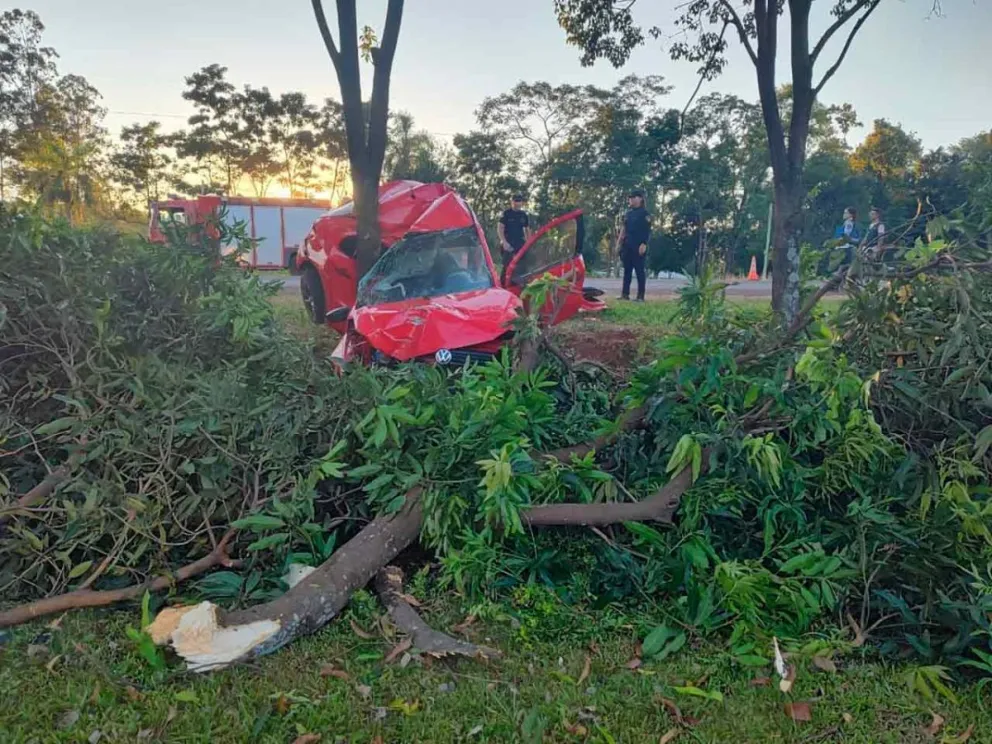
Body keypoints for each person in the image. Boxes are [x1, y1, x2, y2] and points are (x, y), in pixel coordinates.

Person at [616, 189, 651, 301]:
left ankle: (640, 296)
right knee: (627, 271)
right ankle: (625, 294)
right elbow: (624, 229)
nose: (630, 199)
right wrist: (618, 243)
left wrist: (644, 244)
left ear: (640, 199)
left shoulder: (644, 214)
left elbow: (647, 230)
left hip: (638, 245)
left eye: (633, 197)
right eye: (630, 198)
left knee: (639, 271)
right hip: (627, 245)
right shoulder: (628, 214)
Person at [498, 194, 532, 283]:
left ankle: (520, 284)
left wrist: (529, 242)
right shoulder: (506, 213)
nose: (517, 203)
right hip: (508, 242)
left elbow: (527, 229)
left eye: (519, 201)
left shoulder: (523, 215)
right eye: (515, 201)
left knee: (522, 265)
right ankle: (503, 284)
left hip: (520, 243)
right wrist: (504, 242)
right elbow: (500, 228)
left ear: (522, 203)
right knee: (507, 265)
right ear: (512, 202)